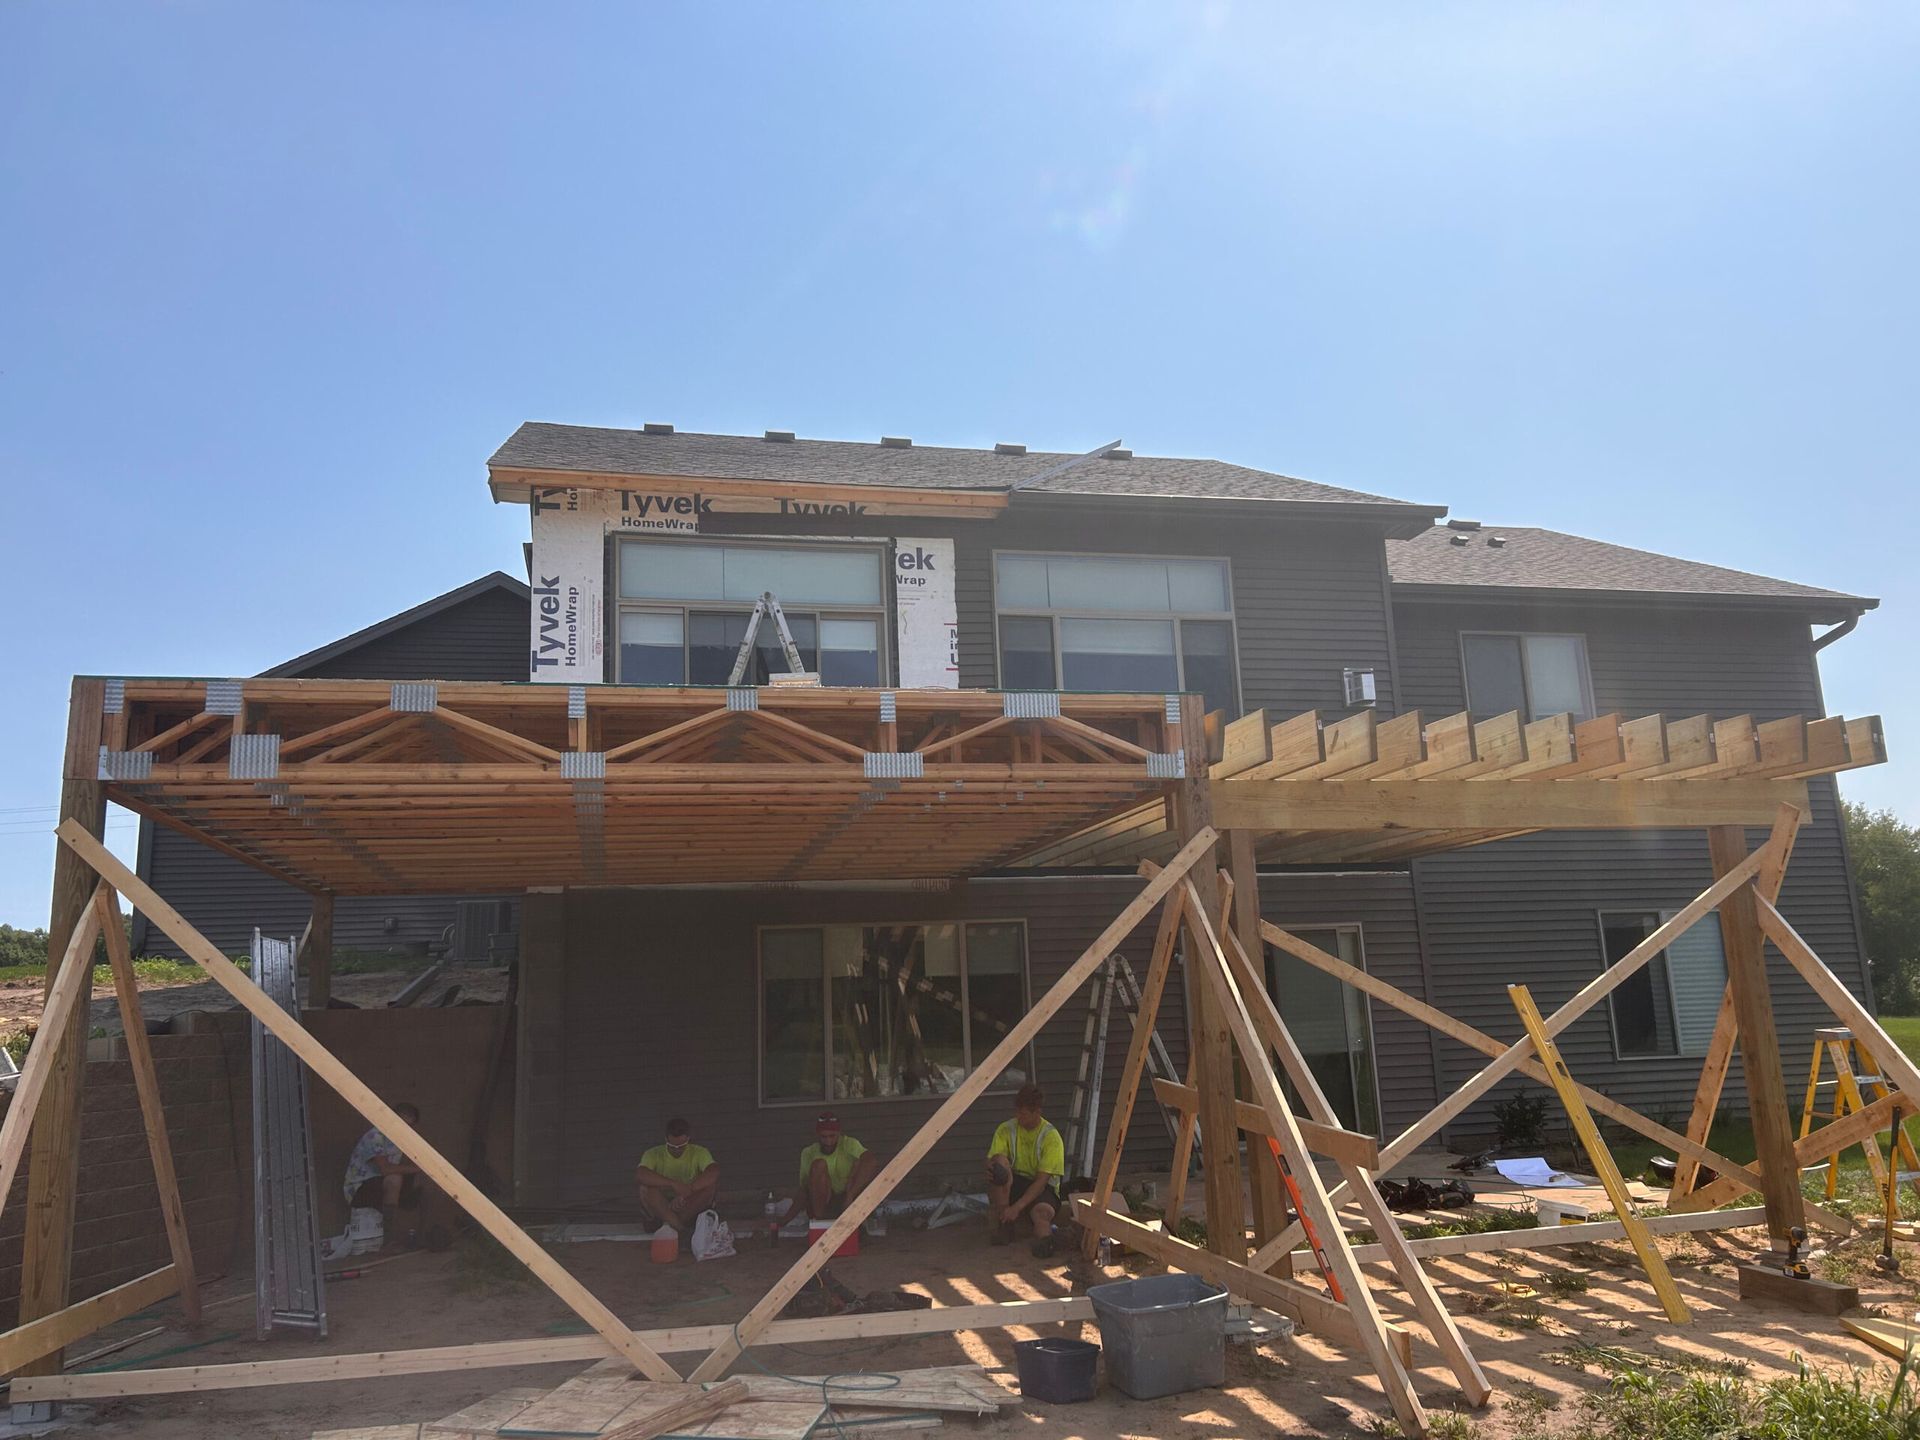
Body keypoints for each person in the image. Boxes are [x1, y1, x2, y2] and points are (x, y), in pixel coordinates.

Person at [985, 1083, 1064, 1258]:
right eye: (1017, 1112)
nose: (1018, 1117)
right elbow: (993, 1159)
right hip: (1013, 1182)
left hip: (1043, 1189)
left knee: (1041, 1214)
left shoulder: (1051, 1137)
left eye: (1024, 1114)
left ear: (1037, 1112)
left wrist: (1018, 1207)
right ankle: (1004, 1224)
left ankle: (1047, 1240)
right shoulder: (1006, 1129)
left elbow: (1042, 1182)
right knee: (998, 1168)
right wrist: (992, 1168)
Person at [343, 1102, 427, 1251]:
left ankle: (420, 1235)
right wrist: (416, 1169)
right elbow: (386, 1169)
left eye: (408, 1126)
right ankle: (388, 1241)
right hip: (358, 1189)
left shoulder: (400, 1140)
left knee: (420, 1178)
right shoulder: (376, 1136)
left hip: (378, 1185)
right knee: (395, 1179)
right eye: (400, 1124)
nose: (403, 1129)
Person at [777, 1113, 882, 1228]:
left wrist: (850, 1194)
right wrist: (785, 1220)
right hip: (822, 1204)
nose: (828, 1141)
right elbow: (804, 1191)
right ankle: (821, 1221)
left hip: (848, 1199)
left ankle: (857, 1221)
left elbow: (871, 1162)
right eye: (824, 1137)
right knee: (819, 1165)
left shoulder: (849, 1144)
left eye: (832, 1136)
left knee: (861, 1165)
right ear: (817, 1135)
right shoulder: (808, 1152)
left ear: (839, 1134)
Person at [636, 1116, 720, 1232]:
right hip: (661, 1203)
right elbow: (641, 1174)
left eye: (681, 1146)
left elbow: (713, 1171)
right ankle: (680, 1229)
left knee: (710, 1186)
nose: (677, 1149)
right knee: (646, 1188)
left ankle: (671, 1223)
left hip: (687, 1203)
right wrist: (672, 1183)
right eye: (672, 1146)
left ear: (688, 1139)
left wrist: (688, 1190)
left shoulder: (699, 1152)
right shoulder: (652, 1153)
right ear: (666, 1139)